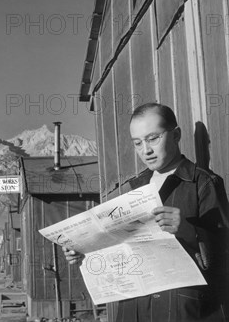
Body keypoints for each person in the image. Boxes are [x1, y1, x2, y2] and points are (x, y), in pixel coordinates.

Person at [63, 103, 229, 322]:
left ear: (176, 135)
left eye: (153, 138)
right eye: (137, 143)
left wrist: (189, 230)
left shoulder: (203, 183)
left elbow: (224, 254)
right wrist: (84, 249)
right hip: (134, 308)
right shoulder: (132, 188)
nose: (145, 150)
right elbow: (118, 246)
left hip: (181, 309)